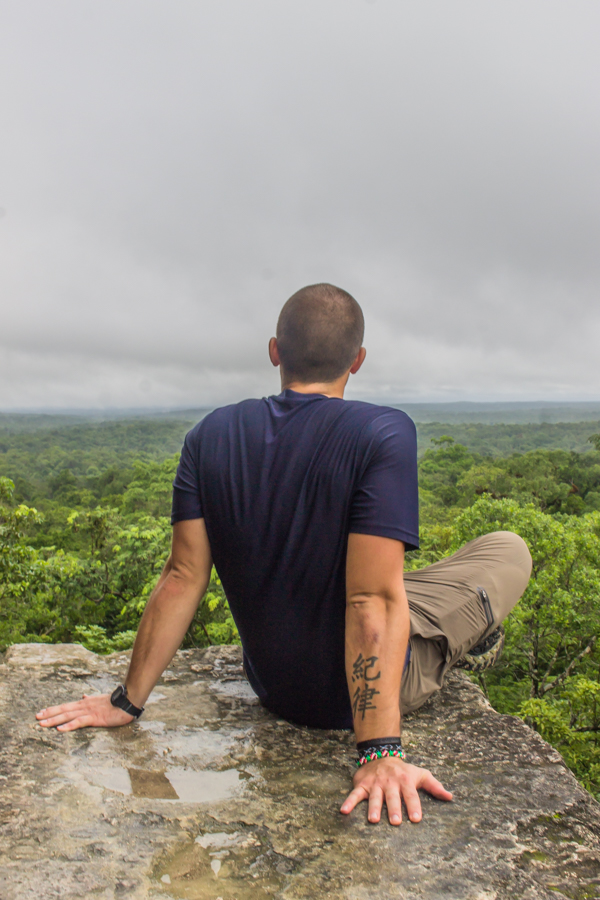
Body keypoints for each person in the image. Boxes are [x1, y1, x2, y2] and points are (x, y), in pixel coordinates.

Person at [36, 283, 532, 827]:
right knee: (506, 548)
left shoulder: (209, 435)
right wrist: (379, 754)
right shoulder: (382, 431)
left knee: (396, 583)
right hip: (350, 700)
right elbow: (369, 598)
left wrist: (125, 703)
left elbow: (181, 576)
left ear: (275, 351)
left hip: (272, 686)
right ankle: (450, 650)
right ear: (358, 361)